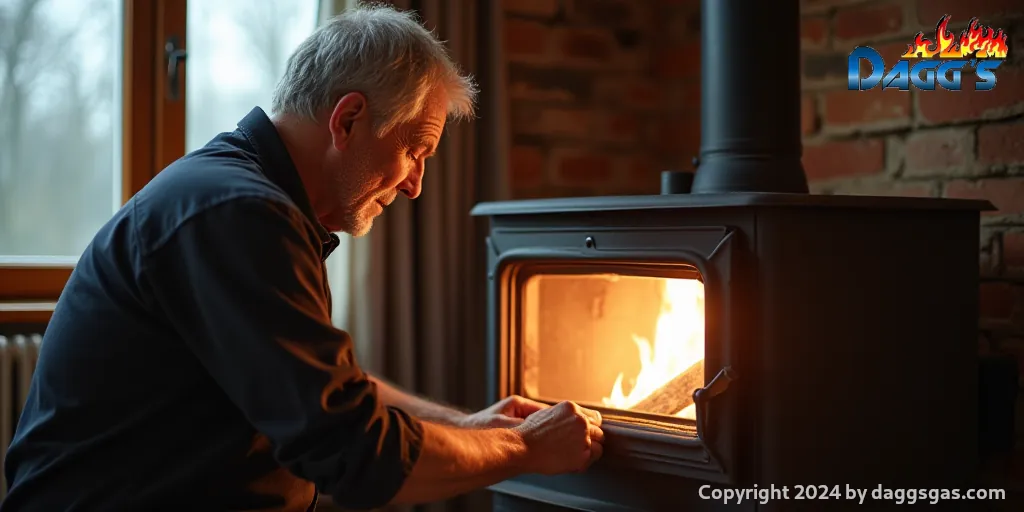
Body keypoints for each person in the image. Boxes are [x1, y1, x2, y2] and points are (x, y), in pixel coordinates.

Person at [1, 4, 605, 511]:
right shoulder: (239, 214)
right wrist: (526, 451)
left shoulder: (244, 199)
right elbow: (356, 455)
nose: (417, 185)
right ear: (348, 119)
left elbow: (332, 392)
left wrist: (473, 428)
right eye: (416, 150)